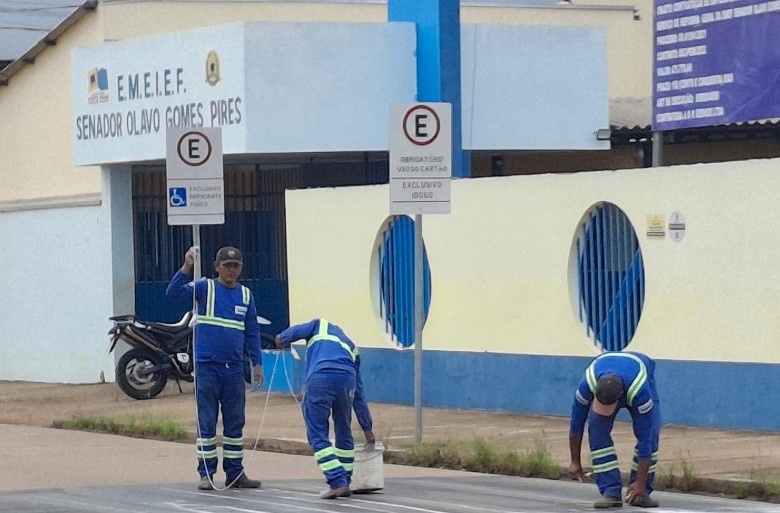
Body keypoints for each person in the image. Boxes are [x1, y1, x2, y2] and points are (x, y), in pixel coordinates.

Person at [166, 246, 264, 491]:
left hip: (233, 371)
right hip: (207, 368)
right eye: (227, 265)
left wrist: (257, 364)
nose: (231, 270)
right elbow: (173, 292)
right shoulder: (204, 288)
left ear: (241, 269)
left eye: (236, 266)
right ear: (216, 266)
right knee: (207, 422)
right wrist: (187, 266)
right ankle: (206, 473)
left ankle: (234, 473)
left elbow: (252, 332)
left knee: (235, 423)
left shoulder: (245, 295)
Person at [274, 318, 375, 499]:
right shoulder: (351, 346)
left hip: (321, 377)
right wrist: (367, 427)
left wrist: (281, 338)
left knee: (317, 432)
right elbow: (359, 392)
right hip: (347, 379)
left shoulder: (319, 326)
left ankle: (337, 482)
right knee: (343, 428)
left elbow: (294, 332)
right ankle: (345, 479)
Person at [568, 351, 661, 509]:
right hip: (610, 370)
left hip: (637, 374)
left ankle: (640, 493)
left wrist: (640, 483)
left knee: (652, 436)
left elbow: (645, 438)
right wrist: (574, 461)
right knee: (597, 430)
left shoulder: (640, 391)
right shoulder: (587, 384)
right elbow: (576, 423)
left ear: (619, 398)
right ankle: (610, 492)